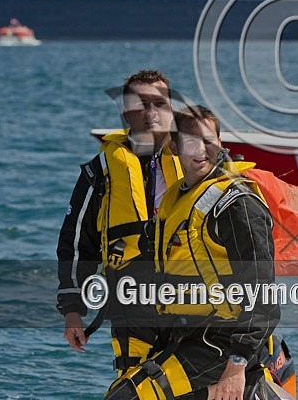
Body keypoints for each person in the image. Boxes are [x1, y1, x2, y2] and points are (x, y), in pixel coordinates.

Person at [105, 106, 284, 400]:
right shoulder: (174, 201)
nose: (202, 150)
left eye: (209, 140)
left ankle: (248, 387)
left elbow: (261, 292)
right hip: (186, 335)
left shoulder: (237, 205)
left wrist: (237, 366)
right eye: (191, 142)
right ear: (174, 148)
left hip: (223, 343)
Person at [56, 69, 183, 374]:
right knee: (136, 383)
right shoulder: (101, 171)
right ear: (127, 114)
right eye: (140, 105)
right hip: (132, 303)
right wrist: (73, 311)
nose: (151, 113)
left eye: (159, 103)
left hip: (192, 299)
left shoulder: (198, 159)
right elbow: (75, 243)